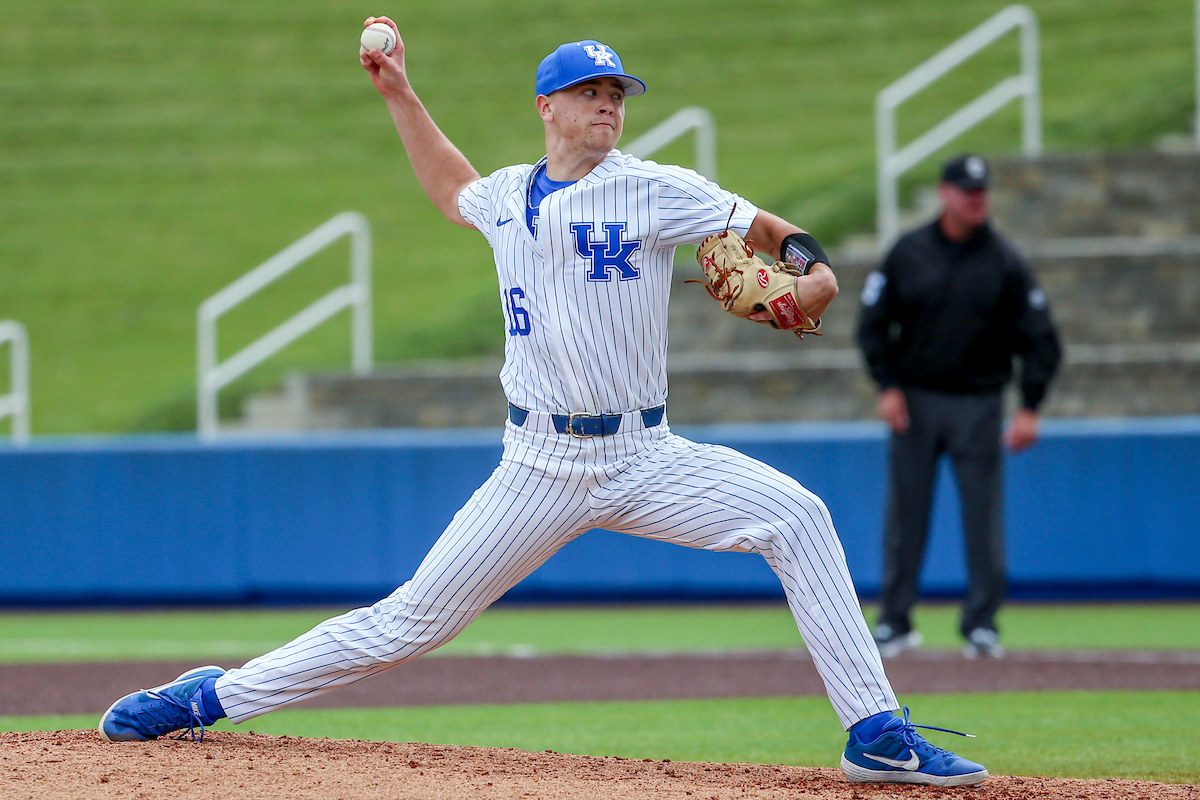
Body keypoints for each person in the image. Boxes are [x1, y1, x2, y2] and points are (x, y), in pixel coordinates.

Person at [97, 19, 988, 787]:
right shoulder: (507, 198)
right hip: (537, 467)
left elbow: (761, 227)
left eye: (617, 92)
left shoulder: (650, 185)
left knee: (796, 517)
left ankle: (875, 734)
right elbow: (450, 187)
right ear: (547, 108)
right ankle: (207, 697)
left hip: (647, 458)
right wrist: (400, 93)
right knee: (407, 623)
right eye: (589, 91)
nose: (608, 104)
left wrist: (811, 267)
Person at [857, 153, 1062, 660]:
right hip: (916, 401)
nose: (977, 198)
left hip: (979, 402)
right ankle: (896, 619)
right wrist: (886, 386)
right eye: (967, 190)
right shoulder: (909, 252)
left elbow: (1041, 338)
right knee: (906, 516)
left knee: (982, 517)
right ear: (945, 193)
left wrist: (1030, 405)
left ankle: (981, 623)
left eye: (982, 191)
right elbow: (872, 323)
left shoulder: (1005, 261)